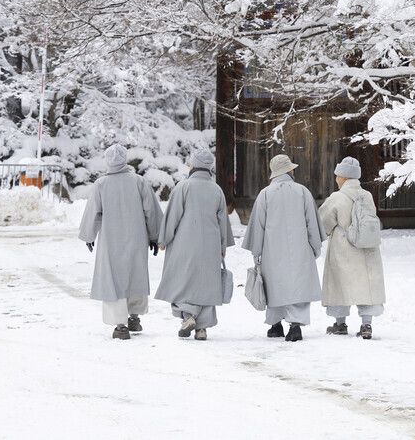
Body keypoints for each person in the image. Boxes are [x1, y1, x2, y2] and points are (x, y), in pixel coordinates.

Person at [78, 144, 163, 340]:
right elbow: (150, 210)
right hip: (137, 237)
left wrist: (89, 236)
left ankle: (120, 325)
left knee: (113, 279)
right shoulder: (139, 182)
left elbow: (94, 213)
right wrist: (154, 236)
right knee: (136, 273)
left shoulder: (101, 184)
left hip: (111, 240)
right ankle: (134, 317)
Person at [241, 153, 323, 341]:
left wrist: (257, 251)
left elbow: (258, 225)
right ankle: (295, 326)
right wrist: (315, 246)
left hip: (272, 250)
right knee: (298, 285)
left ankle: (275, 325)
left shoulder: (265, 194)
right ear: (290, 170)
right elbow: (311, 221)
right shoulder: (302, 191)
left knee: (273, 285)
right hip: (300, 248)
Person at [154, 151, 234, 341]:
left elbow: (173, 216)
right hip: (210, 245)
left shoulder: (183, 187)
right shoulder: (217, 190)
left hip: (184, 244)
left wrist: (163, 239)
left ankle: (188, 316)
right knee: (207, 283)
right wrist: (223, 247)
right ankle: (202, 329)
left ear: (192, 166)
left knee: (182, 280)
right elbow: (222, 221)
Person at [318, 156, 385, 340]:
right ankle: (366, 324)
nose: (336, 179)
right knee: (366, 284)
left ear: (344, 177)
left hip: (344, 249)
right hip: (367, 248)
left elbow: (322, 223)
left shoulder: (337, 198)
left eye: (337, 176)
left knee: (340, 283)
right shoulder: (367, 196)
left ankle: (339, 324)